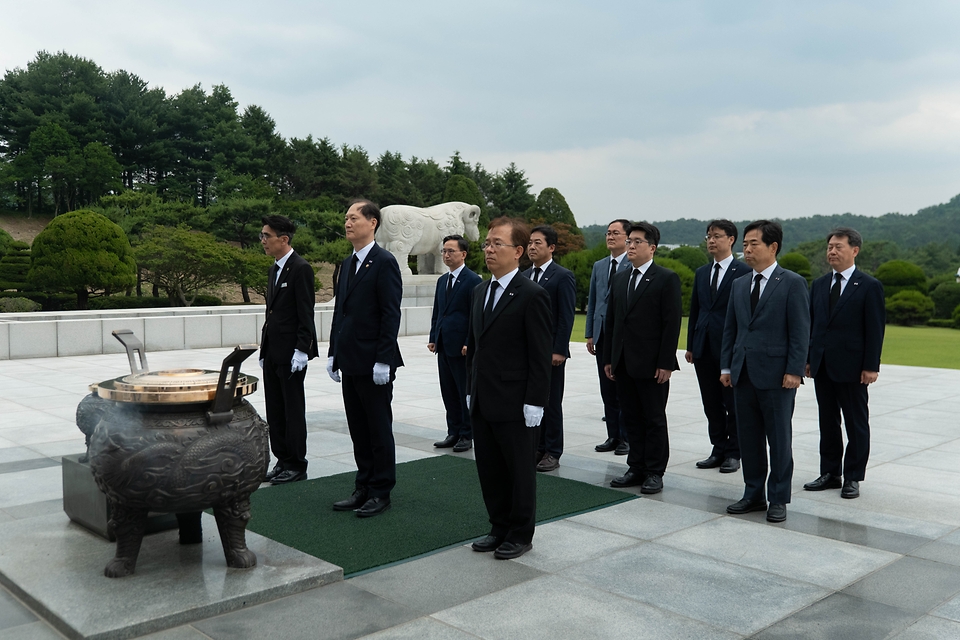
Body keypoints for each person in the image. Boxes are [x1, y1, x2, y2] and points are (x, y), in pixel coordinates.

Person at [466, 217, 552, 560]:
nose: (488, 249)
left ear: (517, 251)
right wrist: (471, 387)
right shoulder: (479, 290)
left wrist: (535, 401)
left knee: (518, 471)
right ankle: (497, 526)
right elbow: (474, 346)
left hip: (516, 401)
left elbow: (539, 353)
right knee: (489, 468)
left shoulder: (533, 294)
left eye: (496, 244)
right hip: (484, 397)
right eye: (486, 243)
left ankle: (520, 532)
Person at [721, 220, 810, 523]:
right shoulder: (739, 284)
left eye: (753, 243)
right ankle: (753, 493)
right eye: (744, 244)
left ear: (773, 247)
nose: (746, 249)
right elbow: (730, 331)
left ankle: (778, 497)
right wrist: (726, 366)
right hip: (743, 373)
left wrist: (795, 370)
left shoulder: (792, 282)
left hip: (777, 376)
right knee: (749, 438)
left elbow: (800, 331)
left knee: (779, 438)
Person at [327, 199, 403, 518]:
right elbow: (339, 312)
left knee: (377, 428)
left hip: (374, 363)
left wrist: (384, 359)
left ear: (372, 223)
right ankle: (363, 485)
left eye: (354, 218)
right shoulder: (346, 264)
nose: (347, 222)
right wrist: (333, 352)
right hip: (350, 359)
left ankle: (381, 490)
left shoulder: (384, 262)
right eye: (345, 218)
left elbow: (390, 313)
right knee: (358, 428)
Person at [804, 228, 884, 499]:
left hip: (853, 367)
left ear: (855, 250)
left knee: (855, 423)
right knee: (827, 421)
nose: (832, 251)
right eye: (829, 247)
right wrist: (807, 359)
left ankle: (853, 476)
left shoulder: (869, 285)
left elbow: (875, 329)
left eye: (838, 247)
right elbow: (812, 325)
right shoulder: (819, 284)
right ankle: (830, 472)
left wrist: (871, 365)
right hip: (823, 364)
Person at [603, 221, 682, 495]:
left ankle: (654, 471)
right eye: (630, 241)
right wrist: (610, 358)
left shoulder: (665, 278)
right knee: (631, 418)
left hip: (651, 366)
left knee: (654, 419)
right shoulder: (621, 278)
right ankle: (635, 466)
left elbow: (671, 325)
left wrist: (665, 363)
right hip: (624, 363)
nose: (631, 246)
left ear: (652, 248)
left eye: (637, 241)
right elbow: (613, 322)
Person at [685, 220, 750, 474]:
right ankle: (718, 448)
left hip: (730, 349)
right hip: (703, 347)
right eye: (708, 236)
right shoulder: (702, 272)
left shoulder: (743, 272)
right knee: (710, 403)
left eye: (717, 236)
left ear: (731, 239)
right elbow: (696, 310)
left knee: (732, 403)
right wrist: (691, 344)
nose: (711, 241)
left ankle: (735, 452)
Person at [259, 214, 319, 485]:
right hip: (273, 349)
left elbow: (306, 312)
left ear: (284, 239)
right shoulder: (274, 268)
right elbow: (271, 313)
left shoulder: (300, 268)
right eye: (262, 236)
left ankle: (296, 463)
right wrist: (264, 350)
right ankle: (282, 459)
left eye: (267, 236)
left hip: (292, 352)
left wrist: (302, 350)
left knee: (292, 409)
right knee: (275, 408)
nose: (263, 241)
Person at [523, 225, 576, 472]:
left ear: (551, 247)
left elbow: (566, 317)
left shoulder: (561, 276)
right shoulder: (523, 275)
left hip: (550, 352)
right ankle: (537, 447)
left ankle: (553, 451)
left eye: (538, 243)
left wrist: (559, 350)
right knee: (533, 399)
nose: (532, 247)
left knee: (551, 401)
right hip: (527, 352)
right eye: (530, 243)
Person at [429, 234, 481, 453]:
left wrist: (470, 341)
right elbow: (438, 312)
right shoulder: (443, 280)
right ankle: (453, 430)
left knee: (463, 392)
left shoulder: (473, 280)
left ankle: (467, 434)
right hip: (443, 343)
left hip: (461, 346)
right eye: (444, 251)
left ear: (463, 254)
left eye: (451, 251)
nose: (446, 255)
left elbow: (475, 315)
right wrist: (433, 337)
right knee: (448, 391)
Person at [585, 219, 632, 455]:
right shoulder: (600, 265)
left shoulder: (632, 265)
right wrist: (590, 333)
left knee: (622, 388)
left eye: (616, 233)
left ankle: (626, 437)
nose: (610, 236)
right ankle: (612, 435)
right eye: (608, 233)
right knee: (607, 389)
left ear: (627, 238)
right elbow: (593, 301)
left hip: (622, 337)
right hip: (602, 333)